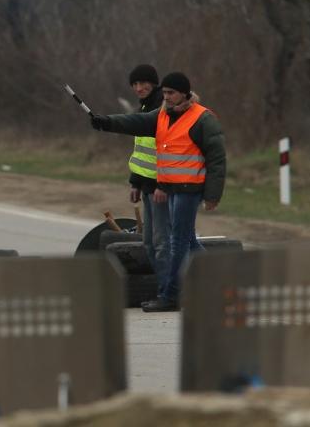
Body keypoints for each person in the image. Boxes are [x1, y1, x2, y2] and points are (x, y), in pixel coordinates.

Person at [90, 72, 225, 312]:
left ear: (185, 93)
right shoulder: (162, 114)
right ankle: (220, 282)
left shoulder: (202, 118)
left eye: (171, 93)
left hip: (189, 190)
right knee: (189, 242)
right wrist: (106, 122)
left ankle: (171, 296)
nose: (166, 97)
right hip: (170, 188)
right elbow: (134, 122)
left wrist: (212, 194)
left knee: (178, 243)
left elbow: (217, 159)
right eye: (164, 93)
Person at [125, 64, 172, 303]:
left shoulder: (161, 108)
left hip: (161, 189)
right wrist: (135, 183)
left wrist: (162, 185)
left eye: (143, 83)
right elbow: (142, 152)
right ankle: (165, 290)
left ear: (154, 83)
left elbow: (166, 150)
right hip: (147, 187)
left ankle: (170, 293)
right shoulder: (144, 107)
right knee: (150, 243)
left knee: (162, 243)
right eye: (134, 84)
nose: (139, 87)